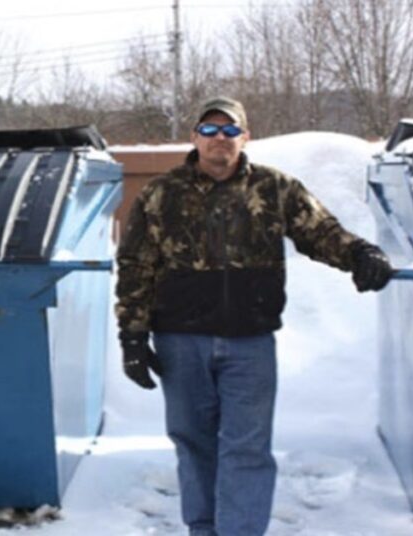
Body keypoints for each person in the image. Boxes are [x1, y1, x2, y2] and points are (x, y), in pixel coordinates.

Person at [114, 97, 393, 536]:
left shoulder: (274, 188)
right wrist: (132, 338)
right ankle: (203, 529)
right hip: (180, 343)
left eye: (230, 131)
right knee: (194, 445)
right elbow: (135, 267)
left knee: (246, 449)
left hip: (250, 345)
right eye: (209, 130)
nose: (219, 139)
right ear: (194, 138)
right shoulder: (160, 194)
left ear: (245, 138)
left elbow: (320, 231)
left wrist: (360, 253)